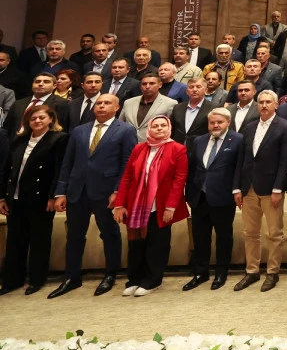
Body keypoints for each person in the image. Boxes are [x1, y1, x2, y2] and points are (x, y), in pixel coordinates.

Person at [50, 93, 137, 298]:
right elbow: (67, 163)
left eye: (107, 103)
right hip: (77, 190)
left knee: (109, 233)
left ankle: (110, 274)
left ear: (116, 108)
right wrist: (61, 191)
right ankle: (72, 277)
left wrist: (118, 191)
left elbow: (127, 164)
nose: (101, 106)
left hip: (106, 191)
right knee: (74, 235)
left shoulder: (125, 130)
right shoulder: (79, 130)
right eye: (98, 103)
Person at [111, 115, 189, 296]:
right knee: (136, 243)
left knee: (157, 244)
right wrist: (120, 203)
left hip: (161, 206)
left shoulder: (178, 149)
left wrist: (171, 206)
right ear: (149, 129)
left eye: (163, 125)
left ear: (169, 128)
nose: (159, 129)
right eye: (155, 126)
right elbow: (127, 177)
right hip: (137, 204)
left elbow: (179, 180)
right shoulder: (139, 148)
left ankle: (153, 280)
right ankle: (135, 278)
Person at [0, 103, 68, 295]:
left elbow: (59, 170)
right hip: (16, 197)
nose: (37, 121)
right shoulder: (19, 140)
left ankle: (37, 280)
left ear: (51, 119)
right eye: (33, 118)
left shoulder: (58, 139)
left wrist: (53, 196)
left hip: (40, 198)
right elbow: (6, 169)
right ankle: (12, 280)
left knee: (39, 240)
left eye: (41, 118)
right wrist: (2, 197)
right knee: (15, 241)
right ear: (27, 121)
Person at [234, 90, 287, 293]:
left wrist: (279, 188)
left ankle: (272, 271)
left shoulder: (285, 127)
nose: (264, 105)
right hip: (248, 187)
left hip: (271, 189)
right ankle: (252, 271)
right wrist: (237, 187)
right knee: (250, 232)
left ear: (276, 105)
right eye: (261, 102)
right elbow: (241, 160)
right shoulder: (249, 127)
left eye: (268, 102)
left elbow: (285, 161)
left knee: (274, 233)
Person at [184, 107, 243, 291]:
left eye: (220, 122)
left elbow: (239, 168)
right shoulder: (199, 140)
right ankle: (200, 273)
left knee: (223, 236)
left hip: (223, 195)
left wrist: (237, 189)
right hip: (199, 196)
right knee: (200, 237)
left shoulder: (238, 140)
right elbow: (192, 167)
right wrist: (189, 192)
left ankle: (221, 272)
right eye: (212, 122)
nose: (216, 125)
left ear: (228, 122)